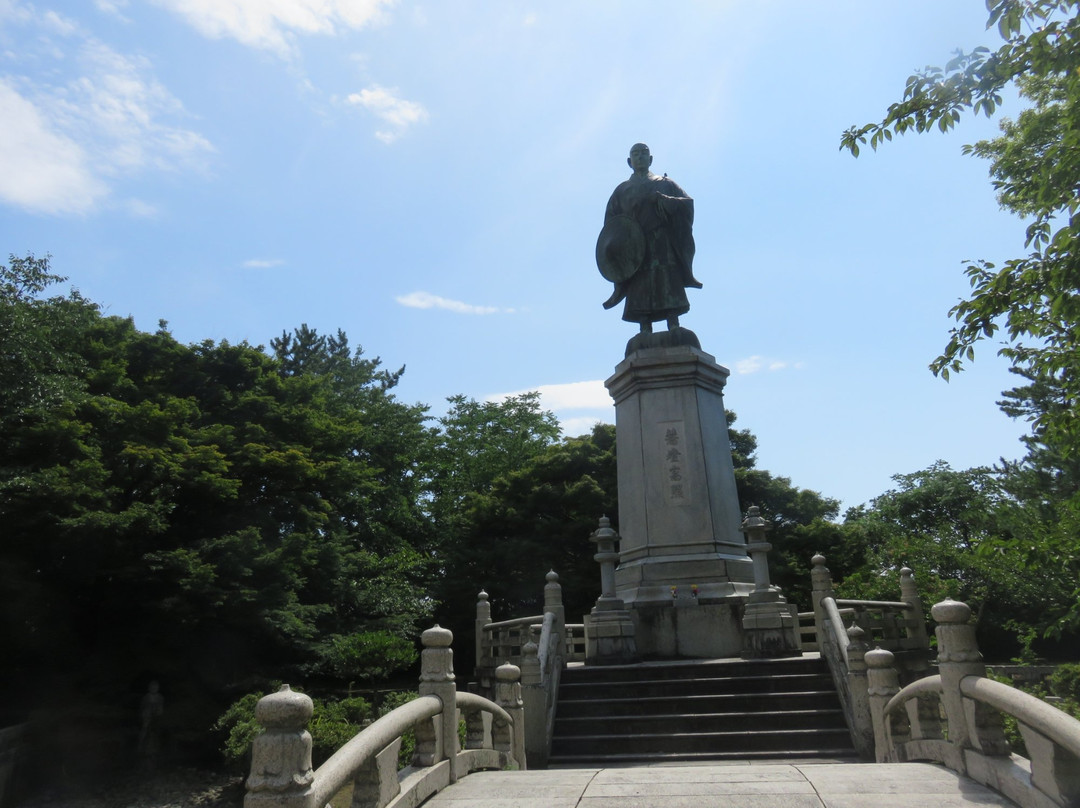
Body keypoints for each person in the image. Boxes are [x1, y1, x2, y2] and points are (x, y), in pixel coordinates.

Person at [597, 143, 702, 332]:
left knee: (667, 277)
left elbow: (687, 204)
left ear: (651, 159)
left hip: (661, 240)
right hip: (635, 247)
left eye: (644, 153)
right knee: (640, 282)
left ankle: (673, 322)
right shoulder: (621, 191)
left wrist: (668, 202)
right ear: (629, 162)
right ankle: (644, 326)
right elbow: (611, 226)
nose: (640, 157)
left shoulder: (666, 184)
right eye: (635, 154)